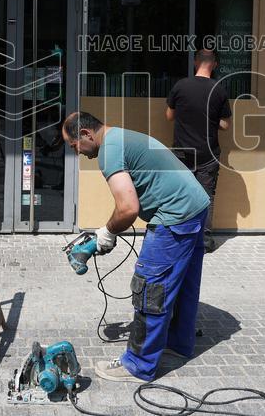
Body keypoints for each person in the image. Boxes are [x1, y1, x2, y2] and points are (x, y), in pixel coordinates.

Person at [62, 111, 210, 383]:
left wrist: (106, 232)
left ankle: (139, 366)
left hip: (175, 215)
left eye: (75, 146)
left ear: (85, 134)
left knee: (151, 288)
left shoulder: (110, 150)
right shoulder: (121, 137)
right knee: (184, 284)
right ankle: (178, 343)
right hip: (196, 205)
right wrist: (109, 229)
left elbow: (128, 208)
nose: (77, 153)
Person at [166, 49, 232, 253]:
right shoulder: (218, 90)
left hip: (181, 151)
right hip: (208, 152)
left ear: (196, 63)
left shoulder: (181, 86)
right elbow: (225, 125)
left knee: (179, 192)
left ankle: (177, 236)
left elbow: (169, 116)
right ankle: (203, 241)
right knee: (206, 196)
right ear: (215, 65)